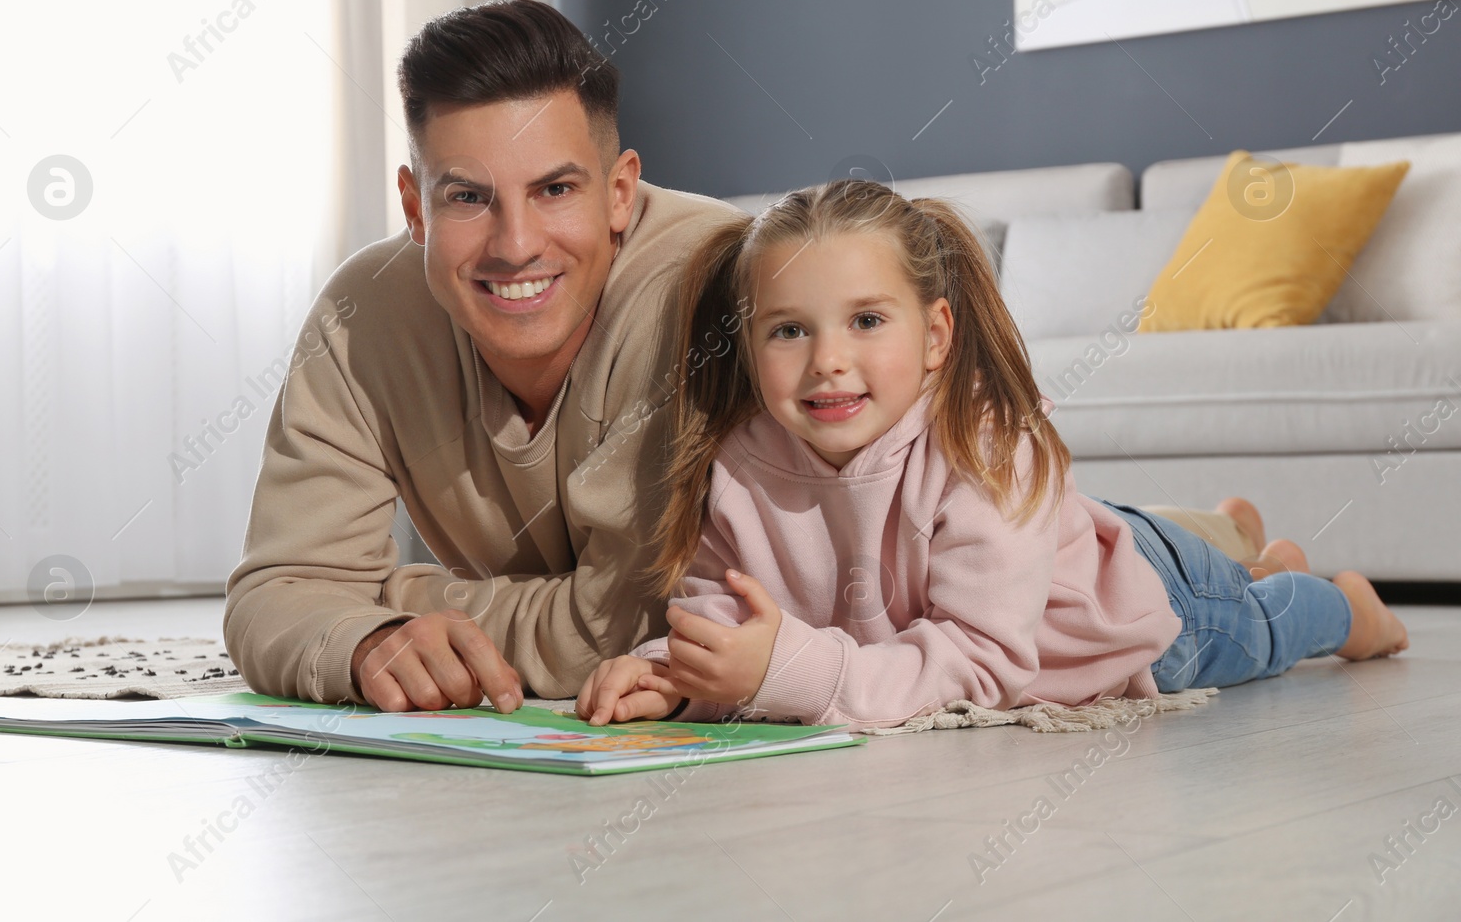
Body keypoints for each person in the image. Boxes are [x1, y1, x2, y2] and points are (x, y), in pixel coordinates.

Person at [576, 179, 1409, 728]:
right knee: (1161, 536)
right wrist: (673, 670)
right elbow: (729, 616)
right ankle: (1235, 537)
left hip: (1123, 605)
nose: (828, 358)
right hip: (1069, 534)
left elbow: (983, 660)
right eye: (789, 329)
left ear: (937, 335)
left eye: (867, 321)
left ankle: (1337, 601)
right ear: (750, 345)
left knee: (1255, 628)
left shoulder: (986, 448)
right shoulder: (741, 462)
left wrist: (797, 672)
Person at [223, 0, 744, 710]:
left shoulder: (709, 287)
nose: (516, 245)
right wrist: (375, 640)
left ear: (619, 193)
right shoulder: (362, 315)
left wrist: (389, 595)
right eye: (468, 197)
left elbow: (631, 624)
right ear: (415, 208)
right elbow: (274, 593)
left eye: (555, 189)